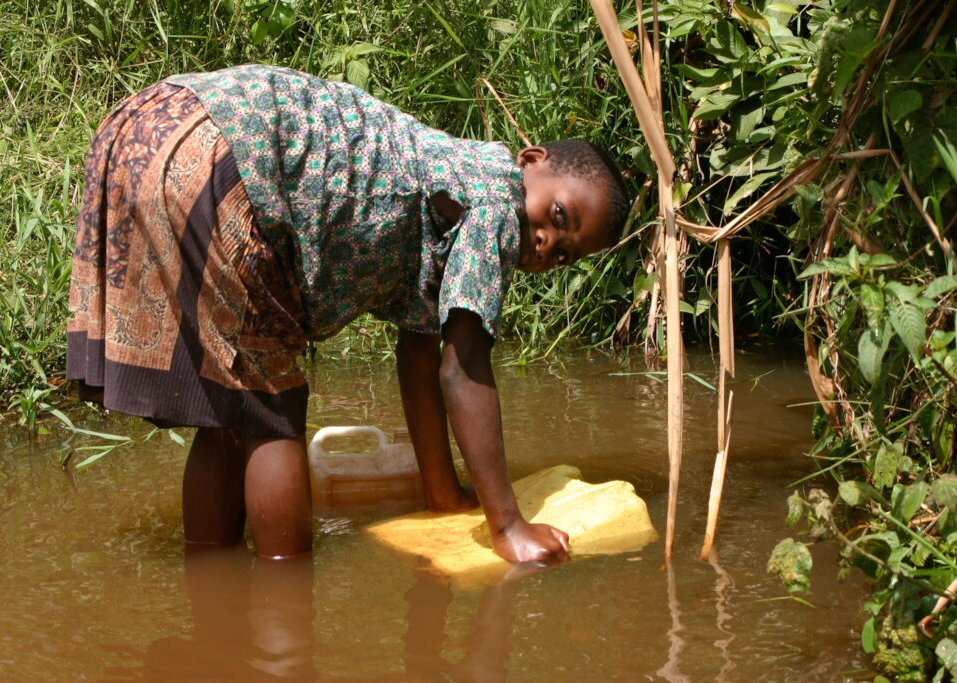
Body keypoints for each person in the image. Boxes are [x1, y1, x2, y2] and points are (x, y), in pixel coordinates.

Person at [66, 65, 630, 565]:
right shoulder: (496, 202)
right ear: (531, 161)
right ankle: (281, 622)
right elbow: (463, 368)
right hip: (231, 151)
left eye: (562, 253)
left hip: (158, 120)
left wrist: (443, 494)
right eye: (557, 215)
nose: (543, 240)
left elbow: (421, 355)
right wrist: (507, 526)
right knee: (269, 414)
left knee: (230, 412)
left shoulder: (455, 189)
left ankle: (215, 597)